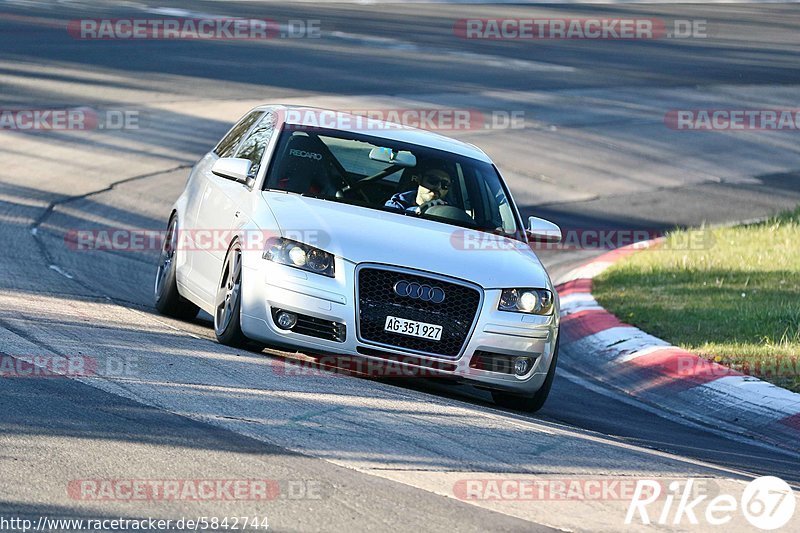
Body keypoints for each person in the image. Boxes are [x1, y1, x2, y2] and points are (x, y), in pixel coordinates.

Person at [385, 167, 452, 214]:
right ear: (419, 179)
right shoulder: (396, 204)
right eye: (433, 180)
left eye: (445, 184)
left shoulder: (452, 213)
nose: (438, 187)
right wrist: (416, 211)